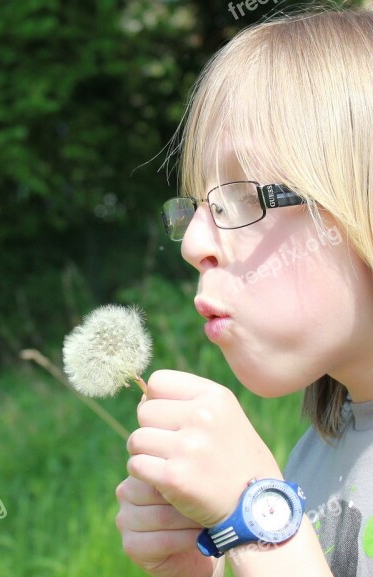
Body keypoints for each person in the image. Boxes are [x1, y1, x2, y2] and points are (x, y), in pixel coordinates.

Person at [115, 8, 373, 577]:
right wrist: (185, 568)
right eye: (197, 206)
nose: (193, 243)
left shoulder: (274, 489)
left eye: (239, 197)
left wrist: (259, 519)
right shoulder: (314, 456)